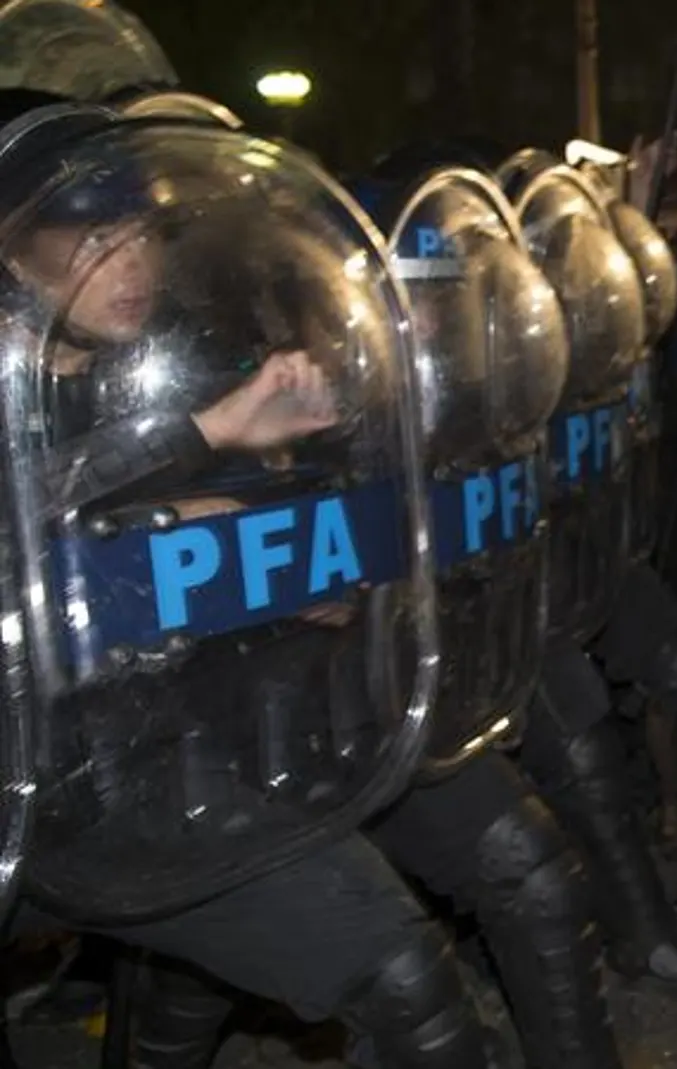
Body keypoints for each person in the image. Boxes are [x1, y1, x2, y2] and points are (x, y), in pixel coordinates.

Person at [0, 94, 500, 1066]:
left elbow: (183, 543)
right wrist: (195, 446)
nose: (133, 261)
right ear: (12, 248)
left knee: (404, 976)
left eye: (143, 233)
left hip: (123, 767)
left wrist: (263, 576)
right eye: (98, 235)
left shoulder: (141, 370)